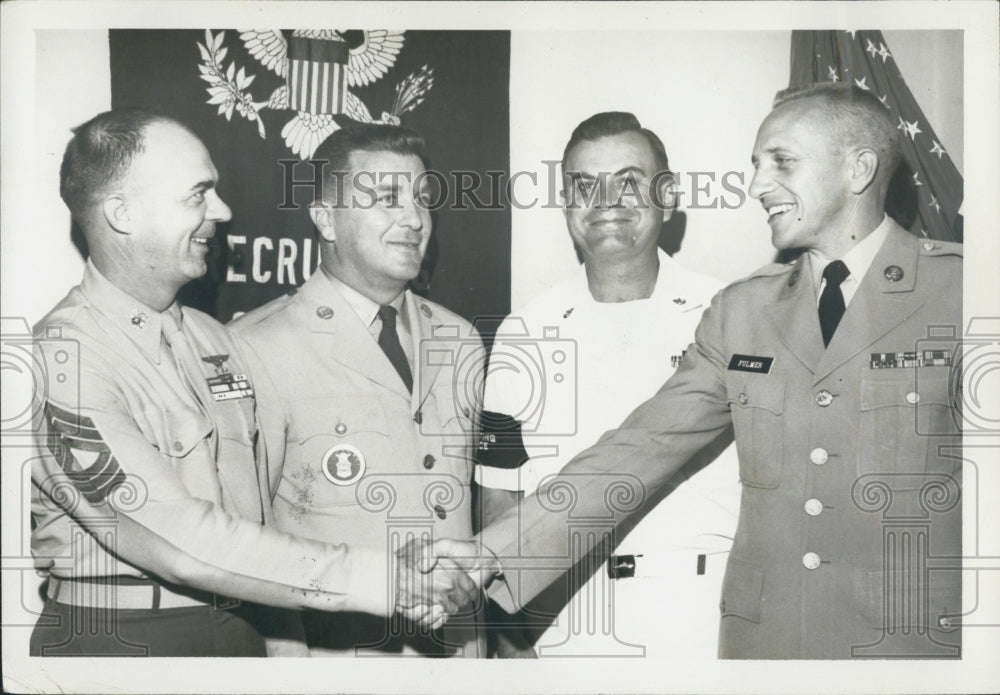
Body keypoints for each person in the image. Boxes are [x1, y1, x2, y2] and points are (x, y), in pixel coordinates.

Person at [471, 84, 963, 659]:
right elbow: (640, 446)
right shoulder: (745, 310)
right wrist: (492, 554)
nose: (755, 185)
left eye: (781, 161)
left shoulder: (966, 292)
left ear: (858, 169)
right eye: (756, 164)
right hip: (766, 645)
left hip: (910, 646)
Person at [29, 109, 476, 657]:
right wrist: (381, 580)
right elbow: (177, 538)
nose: (222, 211)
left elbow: (262, 515)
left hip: (239, 630)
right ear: (122, 213)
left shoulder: (215, 341)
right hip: (124, 639)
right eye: (198, 195)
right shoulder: (64, 355)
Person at [476, 112, 740, 658]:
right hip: (569, 624)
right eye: (583, 185)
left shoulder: (732, 314)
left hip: (702, 624)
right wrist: (512, 639)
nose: (605, 199)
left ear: (667, 196)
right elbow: (500, 490)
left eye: (628, 180)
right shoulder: (523, 331)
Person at [230, 122, 486, 657]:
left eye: (421, 199)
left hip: (457, 655)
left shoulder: (460, 340)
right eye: (386, 199)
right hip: (339, 663)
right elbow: (248, 541)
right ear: (325, 217)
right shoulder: (259, 347)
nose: (414, 220)